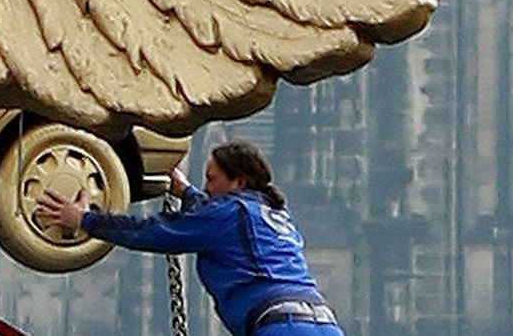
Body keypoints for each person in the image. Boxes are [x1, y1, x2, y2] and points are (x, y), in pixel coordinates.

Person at [37, 140, 343, 336]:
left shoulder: (229, 214)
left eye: (211, 179)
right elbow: (216, 218)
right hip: (323, 324)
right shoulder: (272, 212)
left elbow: (153, 232)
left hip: (280, 329)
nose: (206, 187)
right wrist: (184, 191)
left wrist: (85, 220)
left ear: (238, 181)